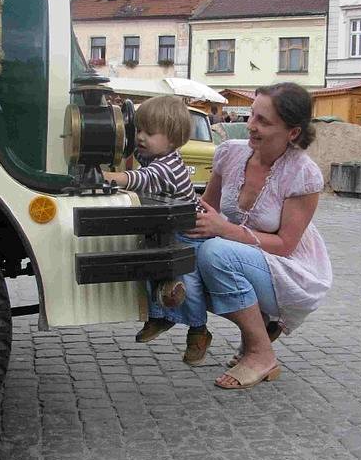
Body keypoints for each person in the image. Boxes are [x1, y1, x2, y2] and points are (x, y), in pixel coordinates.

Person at [162, 81, 332, 389]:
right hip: (245, 256)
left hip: (291, 269)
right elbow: (207, 208)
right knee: (185, 252)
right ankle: (256, 326)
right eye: (252, 115)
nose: (251, 126)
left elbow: (285, 246)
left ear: (292, 132)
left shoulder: (303, 173)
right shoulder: (230, 153)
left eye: (263, 121)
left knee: (214, 253)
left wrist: (225, 229)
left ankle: (260, 353)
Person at [102, 95, 211, 365]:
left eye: (149, 133)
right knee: (150, 268)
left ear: (172, 140)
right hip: (164, 228)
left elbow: (142, 178)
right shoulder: (153, 153)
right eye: (139, 129)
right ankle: (159, 317)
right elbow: (131, 148)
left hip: (187, 233)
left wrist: (110, 177)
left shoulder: (168, 166)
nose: (141, 137)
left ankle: (198, 331)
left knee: (188, 284)